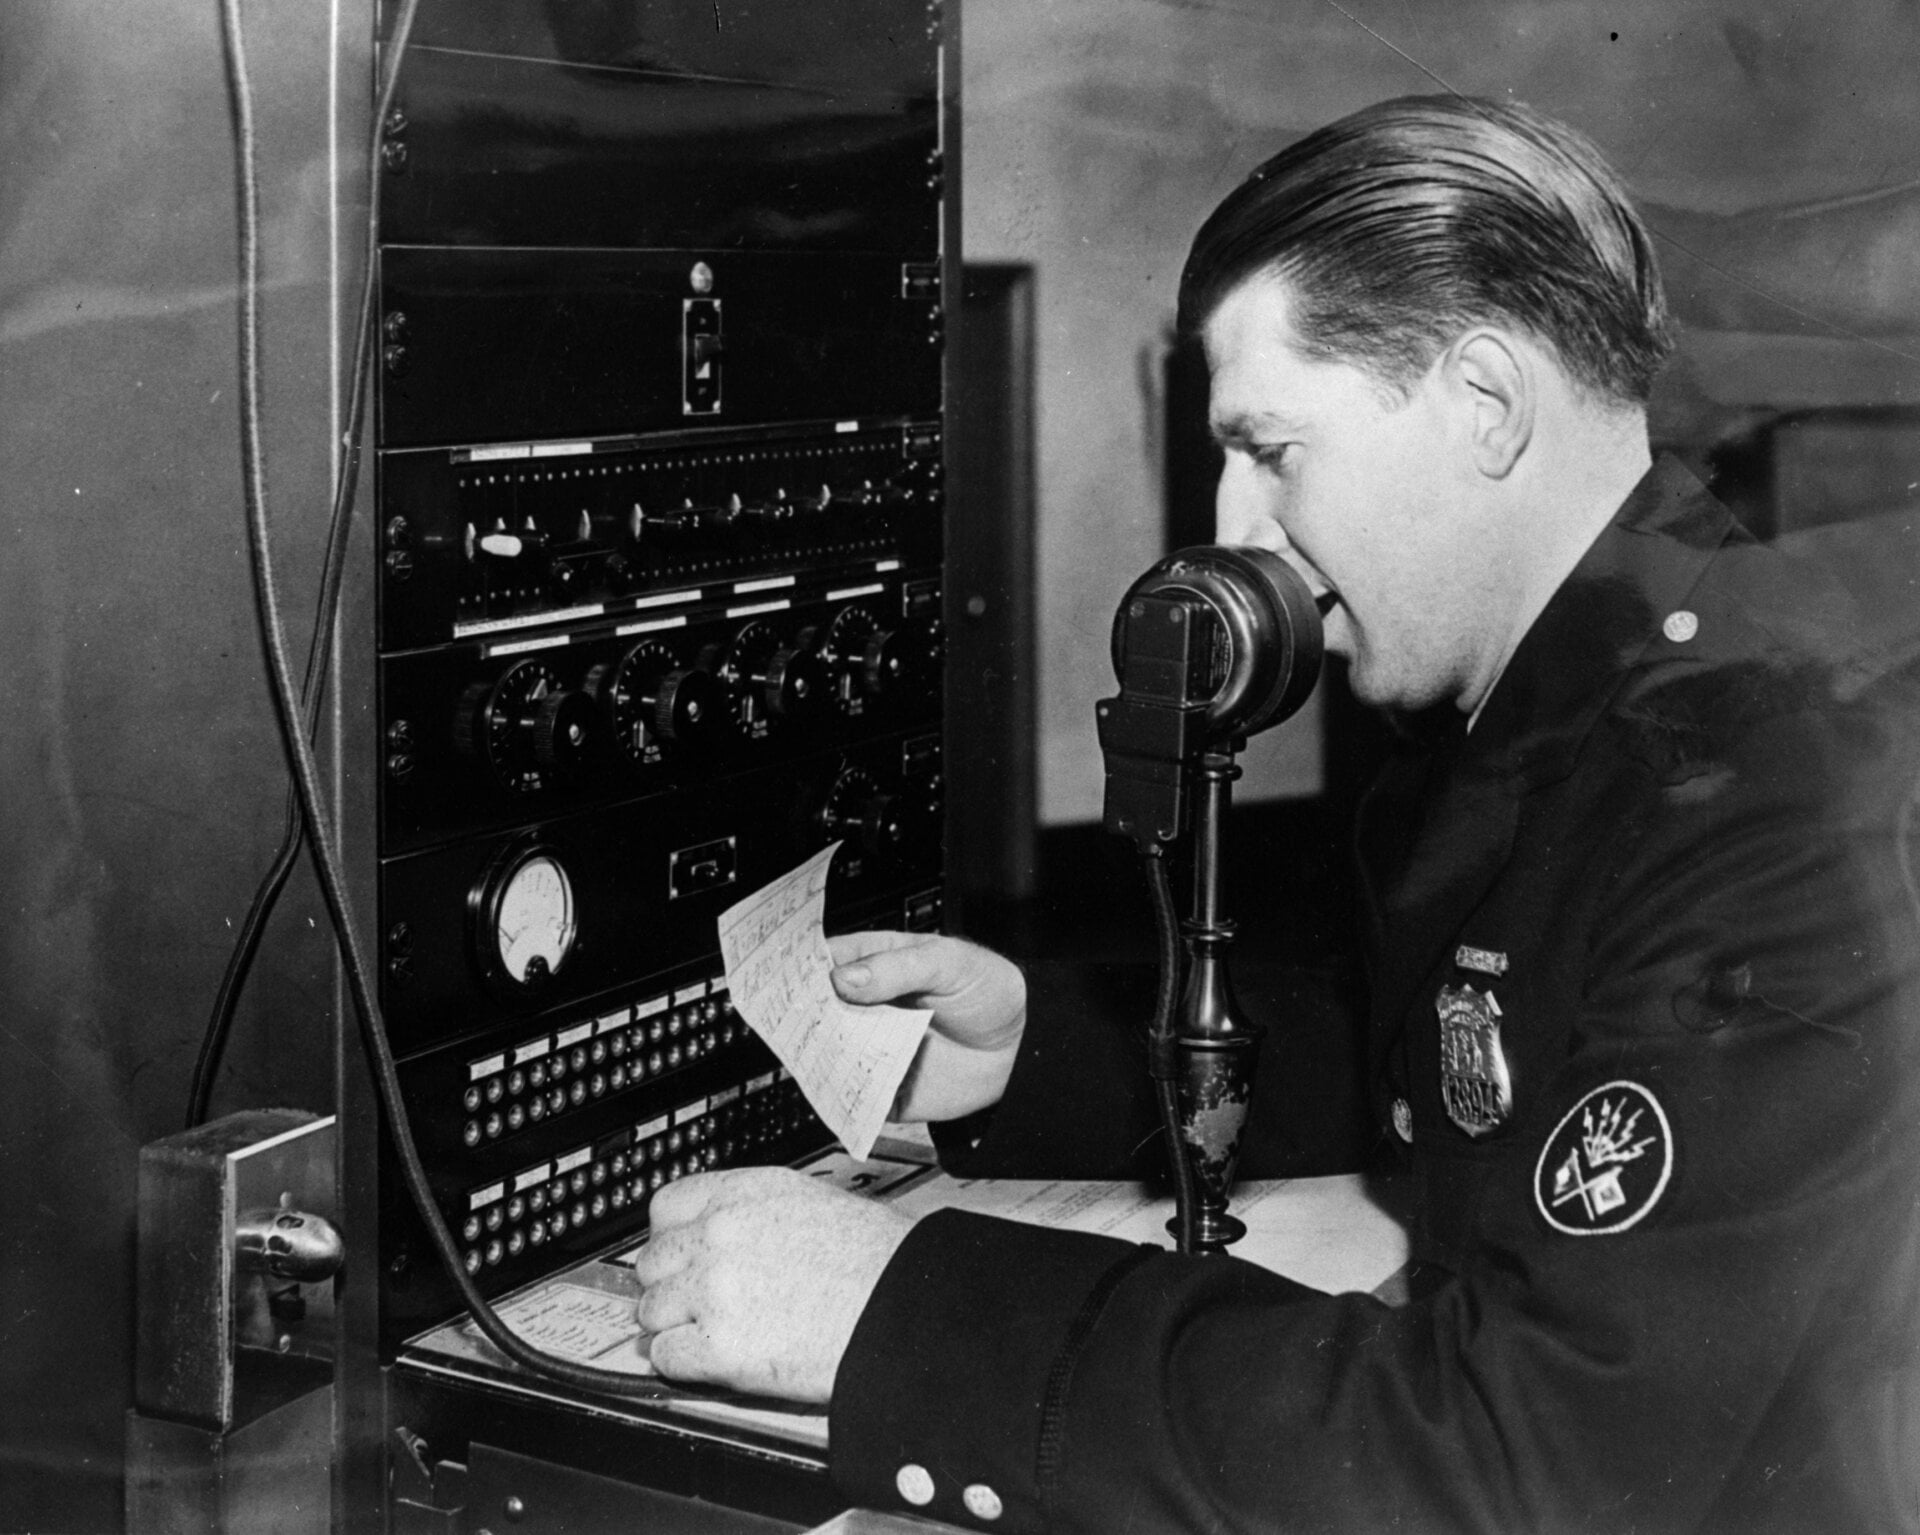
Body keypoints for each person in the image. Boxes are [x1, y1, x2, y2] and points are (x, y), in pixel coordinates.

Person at [633, 95, 1920, 1532]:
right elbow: (1466, 1058)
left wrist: (898, 1308)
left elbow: (1538, 1464)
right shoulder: (1560, 699)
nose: (1235, 527)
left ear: (1484, 406)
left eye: (1273, 450)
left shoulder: (1785, 794)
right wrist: (1035, 1058)